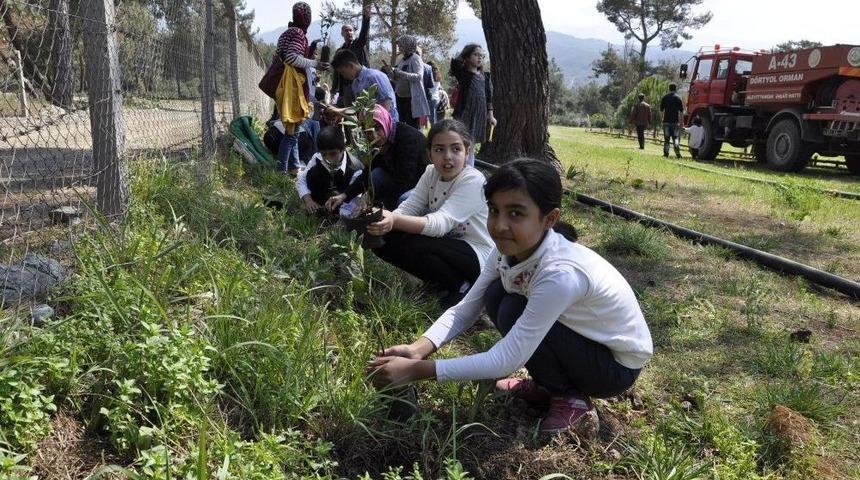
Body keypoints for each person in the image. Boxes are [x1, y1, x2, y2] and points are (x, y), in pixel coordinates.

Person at [367, 159, 653, 433]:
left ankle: (569, 398)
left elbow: (505, 359)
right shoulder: (509, 248)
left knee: (513, 309)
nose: (499, 225)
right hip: (583, 340)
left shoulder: (560, 274)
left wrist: (417, 370)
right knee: (498, 297)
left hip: (613, 367)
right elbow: (467, 307)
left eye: (515, 213)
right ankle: (547, 384)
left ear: (549, 218)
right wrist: (418, 348)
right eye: (494, 210)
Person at [365, 119, 494, 307]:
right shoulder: (431, 172)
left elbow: (440, 224)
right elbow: (411, 206)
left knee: (417, 242)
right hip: (446, 244)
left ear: (468, 152)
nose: (448, 157)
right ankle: (441, 281)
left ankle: (462, 286)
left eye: (456, 149)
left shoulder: (473, 181)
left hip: (476, 254)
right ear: (429, 154)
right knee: (382, 240)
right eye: (439, 149)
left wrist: (394, 219)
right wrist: (387, 221)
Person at [325, 105, 425, 212]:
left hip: (422, 183)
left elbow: (405, 180)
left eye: (377, 128)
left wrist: (371, 194)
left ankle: (399, 222)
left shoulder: (407, 139)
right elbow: (367, 173)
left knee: (404, 199)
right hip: (399, 178)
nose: (374, 135)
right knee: (375, 176)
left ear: (384, 122)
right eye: (368, 131)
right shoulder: (381, 142)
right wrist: (344, 195)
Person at [275, 2, 329, 175]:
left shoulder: (287, 32)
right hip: (293, 87)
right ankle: (281, 170)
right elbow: (291, 58)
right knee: (292, 132)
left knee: (294, 131)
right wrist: (316, 63)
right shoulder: (298, 33)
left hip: (286, 85)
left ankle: (294, 166)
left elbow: (286, 54)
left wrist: (310, 47)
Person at [296, 126, 363, 218]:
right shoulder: (318, 157)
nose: (328, 159)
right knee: (313, 172)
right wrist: (308, 201)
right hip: (320, 196)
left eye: (333, 154)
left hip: (343, 203)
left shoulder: (355, 169)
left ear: (343, 149)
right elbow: (301, 178)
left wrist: (339, 215)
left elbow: (354, 200)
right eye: (324, 154)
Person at [450, 44, 496, 164]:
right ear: (467, 57)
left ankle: (469, 168)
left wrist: (490, 115)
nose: (479, 58)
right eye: (475, 55)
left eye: (481, 55)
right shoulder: (463, 74)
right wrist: (465, 54)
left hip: (479, 114)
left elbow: (488, 97)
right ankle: (458, 164)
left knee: (471, 143)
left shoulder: (484, 76)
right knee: (460, 140)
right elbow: (455, 62)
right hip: (465, 113)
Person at [329, 49, 398, 121]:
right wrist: (340, 111)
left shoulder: (374, 76)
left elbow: (386, 104)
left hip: (387, 124)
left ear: (350, 65)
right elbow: (359, 108)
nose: (344, 76)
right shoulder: (355, 84)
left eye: (343, 72)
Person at [332, 0, 372, 109]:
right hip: (346, 88)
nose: (349, 32)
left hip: (361, 84)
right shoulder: (340, 51)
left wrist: (366, 19)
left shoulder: (358, 44)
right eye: (346, 30)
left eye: (351, 30)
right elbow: (336, 73)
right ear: (342, 33)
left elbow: (363, 34)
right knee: (350, 115)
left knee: (363, 112)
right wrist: (334, 90)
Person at [386, 35, 430, 130]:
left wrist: (401, 73)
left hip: (410, 99)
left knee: (412, 126)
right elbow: (398, 79)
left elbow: (419, 76)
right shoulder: (402, 60)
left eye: (401, 46)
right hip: (400, 98)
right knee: (401, 124)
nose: (399, 48)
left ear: (407, 45)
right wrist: (392, 74)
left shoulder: (415, 58)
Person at [660, 83, 685, 159]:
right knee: (676, 138)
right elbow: (681, 112)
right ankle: (677, 154)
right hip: (675, 122)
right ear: (675, 89)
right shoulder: (678, 98)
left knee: (667, 139)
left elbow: (661, 110)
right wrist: (681, 122)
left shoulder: (665, 97)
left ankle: (666, 153)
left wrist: (662, 119)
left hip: (666, 121)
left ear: (669, 88)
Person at [426, 60, 442, 126]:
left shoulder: (429, 75)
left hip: (431, 99)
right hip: (437, 98)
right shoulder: (438, 75)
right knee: (435, 119)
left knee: (432, 120)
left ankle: (435, 133)